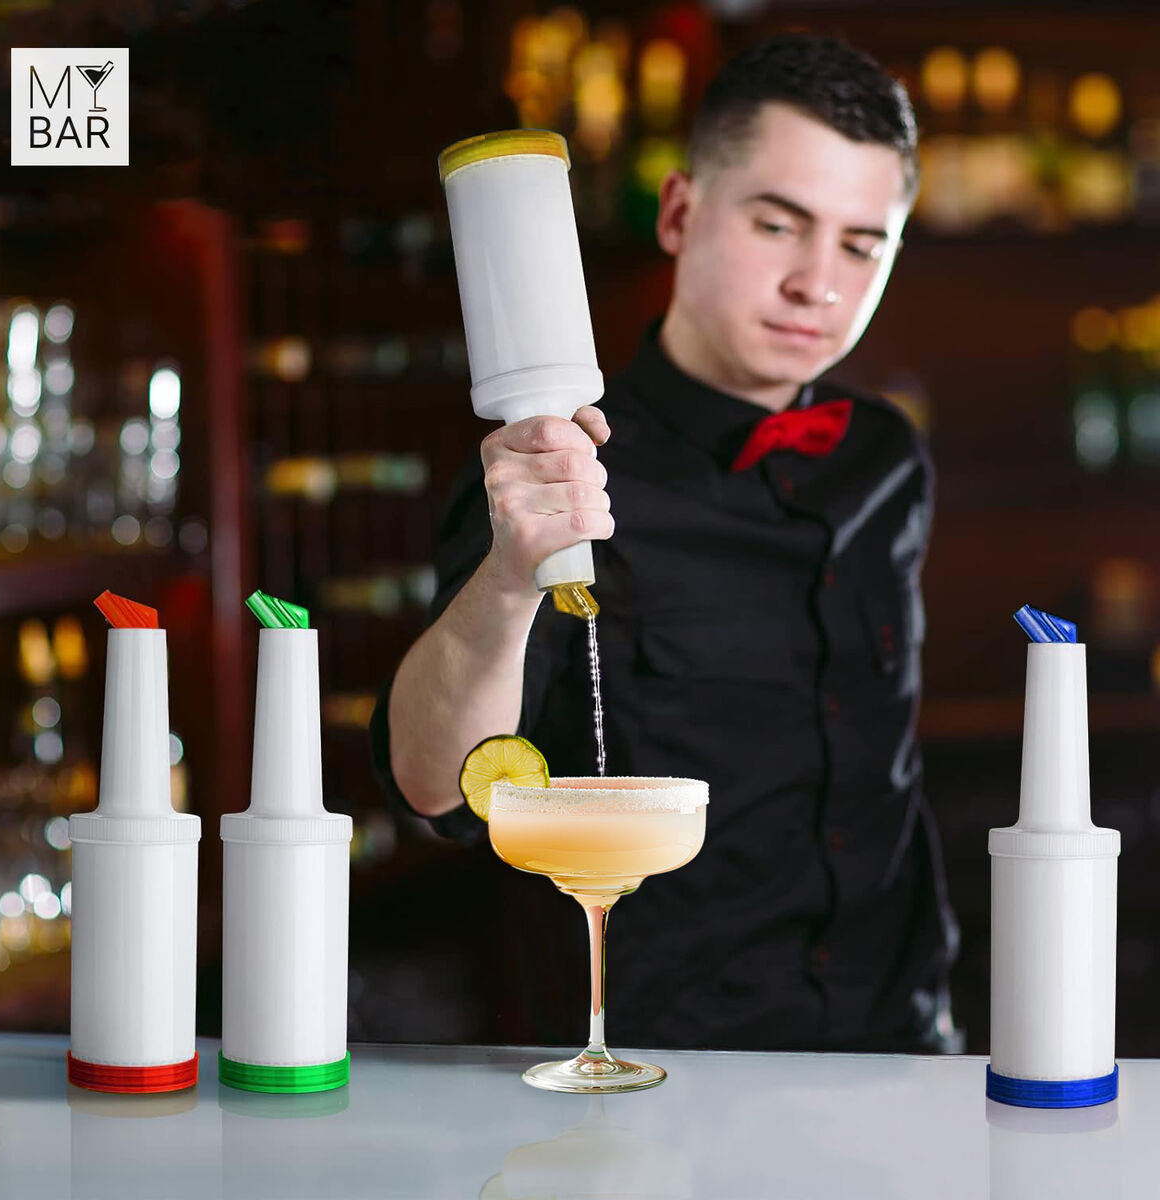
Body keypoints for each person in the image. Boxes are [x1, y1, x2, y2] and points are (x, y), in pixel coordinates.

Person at [370, 33, 959, 1052]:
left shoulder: (887, 461)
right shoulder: (556, 465)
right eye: (778, 224)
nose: (818, 284)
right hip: (665, 1064)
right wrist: (508, 580)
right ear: (681, 212)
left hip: (904, 1041)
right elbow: (434, 781)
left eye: (862, 245)